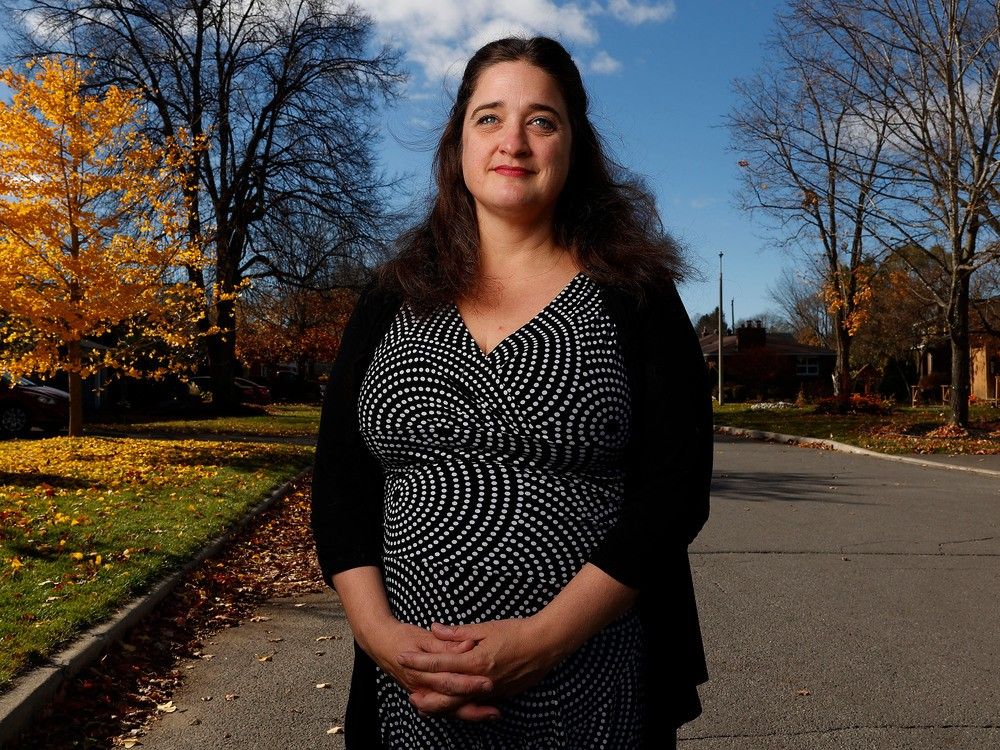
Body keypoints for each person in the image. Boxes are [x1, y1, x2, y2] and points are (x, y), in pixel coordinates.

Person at [311, 36, 713, 750]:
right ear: (458, 141)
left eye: (543, 120)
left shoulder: (635, 294)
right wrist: (379, 639)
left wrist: (541, 642)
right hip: (411, 698)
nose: (515, 142)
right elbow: (341, 482)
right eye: (489, 117)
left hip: (592, 691)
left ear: (574, 145)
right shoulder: (391, 296)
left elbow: (673, 492)